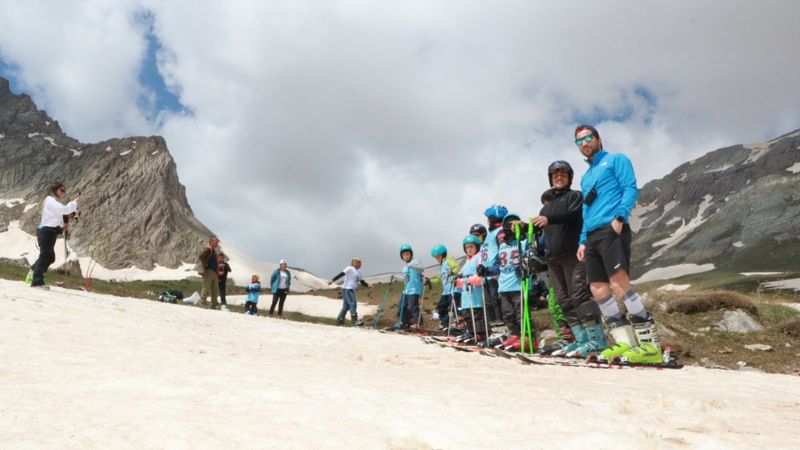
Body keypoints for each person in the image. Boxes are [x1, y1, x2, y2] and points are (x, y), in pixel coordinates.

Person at [574, 124, 661, 364]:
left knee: (619, 283)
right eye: (579, 141)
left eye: (588, 138)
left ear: (599, 139)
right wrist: (582, 240)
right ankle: (625, 344)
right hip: (591, 235)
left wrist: (620, 217)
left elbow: (629, 187)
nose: (584, 143)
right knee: (598, 289)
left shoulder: (616, 159)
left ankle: (650, 346)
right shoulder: (586, 176)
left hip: (612, 229)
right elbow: (586, 209)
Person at [531, 161, 605, 357]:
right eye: (554, 174)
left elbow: (571, 213)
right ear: (550, 178)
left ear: (570, 177)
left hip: (574, 254)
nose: (559, 176)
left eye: (563, 173)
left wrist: (548, 219)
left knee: (579, 294)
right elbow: (542, 230)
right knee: (564, 300)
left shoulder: (575, 196)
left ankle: (597, 341)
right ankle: (581, 340)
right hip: (553, 259)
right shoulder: (545, 209)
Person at [29, 182, 79, 289]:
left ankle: (34, 270)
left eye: (64, 191)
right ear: (55, 190)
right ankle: (37, 281)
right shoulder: (50, 200)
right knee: (45, 255)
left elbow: (60, 219)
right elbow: (64, 210)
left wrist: (66, 223)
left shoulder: (53, 203)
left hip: (50, 232)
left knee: (50, 257)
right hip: (47, 231)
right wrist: (74, 203)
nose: (63, 193)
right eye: (62, 190)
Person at [455, 235, 489, 344]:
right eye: (467, 247)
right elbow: (462, 278)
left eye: (471, 246)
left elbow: (481, 276)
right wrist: (457, 282)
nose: (469, 249)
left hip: (476, 293)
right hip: (466, 294)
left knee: (476, 314)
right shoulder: (466, 262)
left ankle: (480, 334)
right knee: (467, 315)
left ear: (477, 247)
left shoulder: (479, 257)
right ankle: (471, 332)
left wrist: (473, 279)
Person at [477, 205, 506, 325]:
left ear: (493, 218)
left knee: (495, 300)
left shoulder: (500, 232)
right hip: (486, 274)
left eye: (488, 218)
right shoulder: (490, 234)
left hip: (494, 273)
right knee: (488, 302)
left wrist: (494, 268)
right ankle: (493, 324)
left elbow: (502, 250)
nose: (487, 220)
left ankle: (501, 323)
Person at [427, 244, 461, 330]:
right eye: (436, 258)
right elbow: (439, 278)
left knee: (454, 307)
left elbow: (457, 268)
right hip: (446, 292)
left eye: (438, 257)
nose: (437, 259)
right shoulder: (442, 266)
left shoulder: (449, 260)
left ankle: (460, 323)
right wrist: (429, 281)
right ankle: (445, 324)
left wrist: (452, 272)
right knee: (441, 307)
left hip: (454, 289)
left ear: (444, 255)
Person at [329, 257, 371, 326]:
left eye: (361, 262)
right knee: (353, 303)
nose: (361, 264)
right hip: (347, 289)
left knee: (346, 307)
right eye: (359, 262)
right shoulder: (350, 268)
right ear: (354, 262)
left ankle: (340, 320)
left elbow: (362, 282)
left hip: (351, 289)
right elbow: (341, 274)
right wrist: (332, 280)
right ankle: (355, 321)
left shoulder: (359, 272)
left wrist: (368, 285)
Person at [395, 244, 424, 330]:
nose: (406, 256)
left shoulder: (415, 261)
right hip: (406, 290)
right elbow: (405, 279)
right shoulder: (404, 267)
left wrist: (411, 265)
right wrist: (396, 278)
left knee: (413, 306)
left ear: (411, 254)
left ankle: (419, 323)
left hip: (414, 289)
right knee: (401, 306)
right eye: (404, 255)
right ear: (402, 257)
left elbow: (421, 269)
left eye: (407, 254)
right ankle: (404, 322)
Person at [198, 236, 221, 309]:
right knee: (206, 287)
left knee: (215, 290)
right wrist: (206, 263)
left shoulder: (213, 250)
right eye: (216, 242)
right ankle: (202, 303)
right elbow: (201, 256)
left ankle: (213, 306)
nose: (217, 243)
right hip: (209, 270)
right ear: (211, 242)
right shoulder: (208, 248)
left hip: (214, 272)